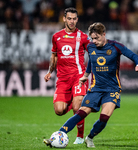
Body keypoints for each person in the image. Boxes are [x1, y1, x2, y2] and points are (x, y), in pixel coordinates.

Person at [55, 22, 138, 148]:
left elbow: (133, 55)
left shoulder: (115, 46)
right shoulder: (90, 47)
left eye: (97, 38)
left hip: (112, 88)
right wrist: (86, 75)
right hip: (96, 88)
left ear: (104, 34)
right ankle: (59, 134)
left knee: (104, 117)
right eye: (92, 38)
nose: (94, 41)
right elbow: (91, 60)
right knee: (81, 112)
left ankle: (89, 137)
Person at [43, 7, 90, 145]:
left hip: (78, 77)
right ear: (64, 19)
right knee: (59, 110)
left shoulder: (83, 37)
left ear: (77, 20)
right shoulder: (56, 36)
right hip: (62, 79)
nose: (72, 21)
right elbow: (54, 56)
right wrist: (49, 71)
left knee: (77, 107)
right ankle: (77, 104)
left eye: (74, 19)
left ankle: (80, 137)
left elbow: (93, 54)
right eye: (69, 18)